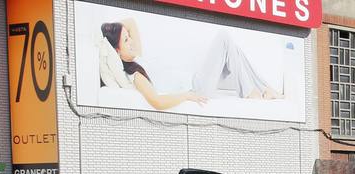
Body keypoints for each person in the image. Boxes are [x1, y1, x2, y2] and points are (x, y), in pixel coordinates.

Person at [99, 18, 281, 112]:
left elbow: (130, 21)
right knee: (224, 38)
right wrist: (186, 96)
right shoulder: (135, 75)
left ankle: (264, 89)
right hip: (196, 88)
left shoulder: (136, 56)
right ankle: (253, 94)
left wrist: (110, 33)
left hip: (196, 80)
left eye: (129, 37)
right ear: (116, 51)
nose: (131, 41)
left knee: (235, 51)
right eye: (125, 40)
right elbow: (157, 101)